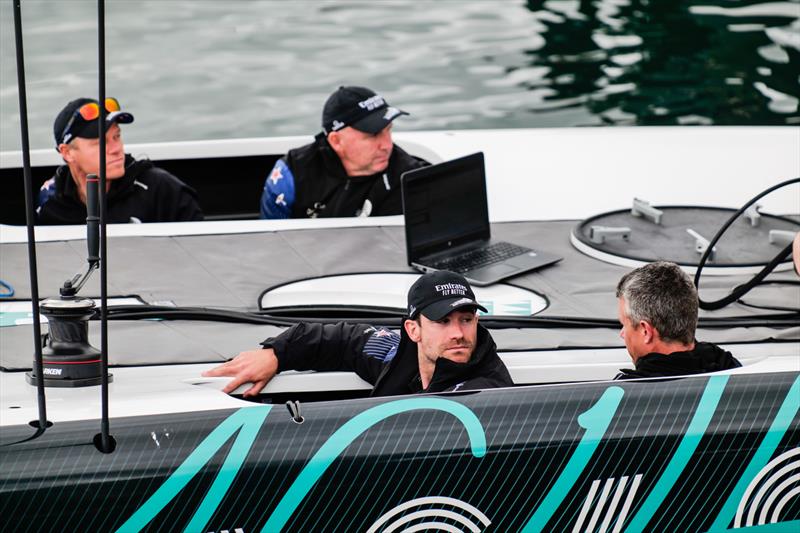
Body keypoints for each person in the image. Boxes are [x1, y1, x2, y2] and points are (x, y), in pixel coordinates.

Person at [203, 270, 513, 397]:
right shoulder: (394, 354)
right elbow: (343, 339)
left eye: (466, 319)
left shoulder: (487, 390)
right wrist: (276, 353)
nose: (458, 333)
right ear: (413, 330)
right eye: (442, 322)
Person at [259, 86, 429, 219]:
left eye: (388, 130)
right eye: (374, 134)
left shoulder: (408, 178)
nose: (386, 145)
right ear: (336, 141)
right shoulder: (291, 174)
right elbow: (271, 242)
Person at [37, 97, 203, 225]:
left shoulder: (161, 189)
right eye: (101, 142)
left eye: (117, 136)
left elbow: (201, 255)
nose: (116, 149)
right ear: (67, 152)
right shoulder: (50, 200)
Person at [614, 261, 742, 380]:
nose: (622, 334)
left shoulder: (624, 397)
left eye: (625, 325)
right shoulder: (738, 374)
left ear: (646, 331)